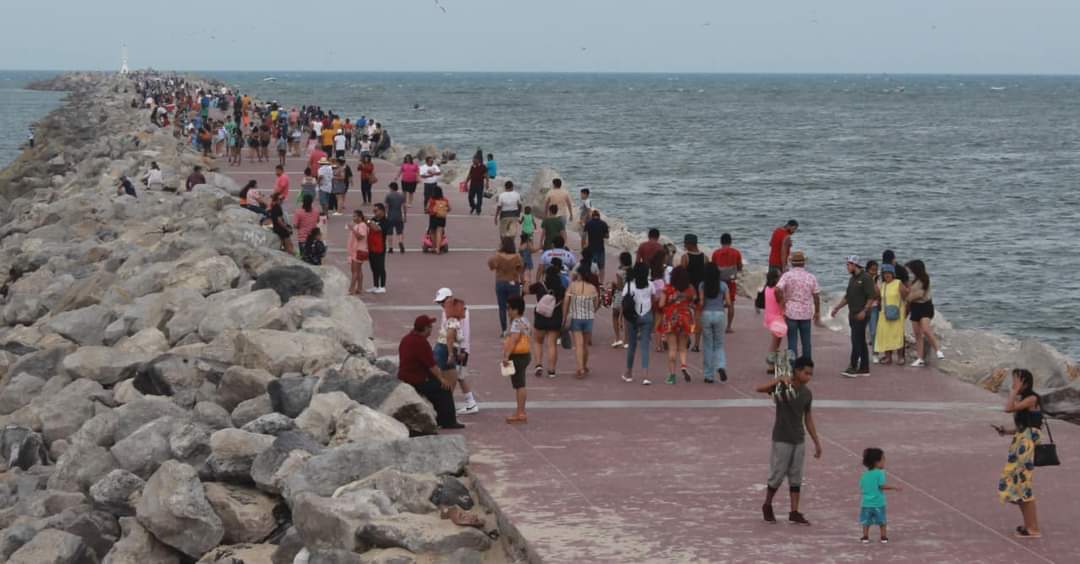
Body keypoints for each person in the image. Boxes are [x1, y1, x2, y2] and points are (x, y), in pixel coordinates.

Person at [756, 356, 822, 526]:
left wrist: (816, 441)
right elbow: (759, 389)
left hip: (799, 439)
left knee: (796, 476)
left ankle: (794, 511)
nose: (808, 377)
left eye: (810, 374)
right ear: (797, 371)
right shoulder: (782, 386)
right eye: (806, 373)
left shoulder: (807, 394)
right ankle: (767, 504)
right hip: (782, 438)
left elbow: (808, 418)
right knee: (777, 474)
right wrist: (778, 380)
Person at [994, 368, 1044, 539]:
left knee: (1024, 485)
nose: (1013, 383)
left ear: (1026, 383)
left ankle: (1034, 528)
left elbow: (1008, 409)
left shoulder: (1032, 398)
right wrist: (1007, 431)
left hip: (1026, 446)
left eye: (1016, 380)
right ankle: (1029, 525)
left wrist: (1013, 392)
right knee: (1018, 484)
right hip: (1020, 443)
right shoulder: (1024, 399)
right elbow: (1024, 426)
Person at [397, 315, 463, 430]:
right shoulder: (421, 343)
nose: (432, 329)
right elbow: (432, 365)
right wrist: (442, 379)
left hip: (404, 376)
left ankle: (439, 417)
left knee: (435, 386)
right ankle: (448, 421)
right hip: (416, 380)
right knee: (444, 389)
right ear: (426, 329)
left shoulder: (406, 338)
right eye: (430, 327)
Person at [830, 256, 877, 378]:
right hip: (852, 313)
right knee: (859, 341)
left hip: (861, 314)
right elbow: (848, 297)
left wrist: (864, 310)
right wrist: (837, 308)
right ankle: (864, 368)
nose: (847, 267)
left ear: (855, 265)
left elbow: (872, 297)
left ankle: (853, 366)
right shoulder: (852, 279)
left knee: (856, 340)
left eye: (849, 264)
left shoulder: (866, 278)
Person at [433, 288, 478, 415]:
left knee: (455, 376)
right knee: (458, 376)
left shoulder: (457, 310)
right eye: (439, 302)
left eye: (442, 300)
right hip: (453, 347)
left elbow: (462, 332)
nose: (441, 304)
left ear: (450, 298)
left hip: (458, 349)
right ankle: (469, 402)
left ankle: (457, 404)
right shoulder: (449, 309)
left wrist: (462, 350)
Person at [775, 251, 820, 361]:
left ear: (791, 263)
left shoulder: (787, 276)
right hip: (806, 313)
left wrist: (781, 303)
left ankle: (793, 366)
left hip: (790, 312)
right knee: (806, 342)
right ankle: (807, 366)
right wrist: (817, 311)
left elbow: (777, 289)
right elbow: (816, 296)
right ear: (804, 263)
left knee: (792, 341)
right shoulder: (811, 277)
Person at [658, 266, 697, 385]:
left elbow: (661, 305)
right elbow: (693, 300)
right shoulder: (690, 288)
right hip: (685, 318)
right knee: (683, 347)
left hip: (671, 318)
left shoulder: (668, 288)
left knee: (672, 348)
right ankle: (684, 366)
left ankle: (672, 376)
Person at [622, 262, 658, 385]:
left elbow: (624, 302)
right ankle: (645, 376)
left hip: (633, 317)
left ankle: (629, 373)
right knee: (645, 347)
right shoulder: (651, 285)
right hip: (647, 315)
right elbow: (654, 300)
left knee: (632, 345)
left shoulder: (629, 285)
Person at [563, 264, 600, 378]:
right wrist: (591, 311)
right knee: (585, 345)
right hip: (589, 319)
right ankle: (584, 366)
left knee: (578, 345)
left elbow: (566, 301)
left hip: (576, 318)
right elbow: (596, 304)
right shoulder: (592, 288)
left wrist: (564, 317)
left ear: (579, 274)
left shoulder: (573, 286)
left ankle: (580, 369)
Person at [906, 260, 945, 367]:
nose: (910, 272)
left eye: (912, 269)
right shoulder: (914, 280)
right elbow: (910, 291)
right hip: (915, 307)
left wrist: (908, 297)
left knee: (925, 329)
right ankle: (920, 358)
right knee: (917, 334)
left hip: (925, 306)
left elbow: (920, 294)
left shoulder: (925, 279)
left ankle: (938, 350)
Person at [529, 266, 565, 380]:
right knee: (552, 344)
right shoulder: (561, 288)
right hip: (555, 317)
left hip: (540, 317)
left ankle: (538, 365)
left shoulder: (540, 286)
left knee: (538, 342)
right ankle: (551, 370)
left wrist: (525, 280)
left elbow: (526, 290)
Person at [698, 263, 732, 383]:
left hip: (706, 314)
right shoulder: (723, 285)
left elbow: (701, 303)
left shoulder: (702, 285)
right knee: (719, 344)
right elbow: (728, 303)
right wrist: (720, 305)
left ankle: (708, 375)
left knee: (708, 345)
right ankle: (721, 366)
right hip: (720, 315)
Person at [859, 448, 900, 544]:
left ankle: (865, 536)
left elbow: (862, 486)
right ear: (876, 462)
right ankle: (883, 536)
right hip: (878, 502)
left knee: (866, 521)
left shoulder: (864, 474)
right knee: (882, 521)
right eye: (883, 459)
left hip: (866, 503)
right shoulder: (880, 473)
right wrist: (894, 487)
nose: (884, 461)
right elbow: (881, 486)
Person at [502, 296, 531, 424]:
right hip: (525, 354)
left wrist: (506, 356)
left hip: (517, 355)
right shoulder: (525, 320)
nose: (507, 311)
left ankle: (520, 412)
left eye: (509, 308)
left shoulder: (515, 323)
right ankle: (521, 411)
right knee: (520, 383)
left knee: (519, 384)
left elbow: (514, 340)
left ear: (516, 309)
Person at [488, 237, 524, 334]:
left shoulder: (498, 256)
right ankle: (513, 328)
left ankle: (504, 330)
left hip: (501, 282)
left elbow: (491, 266)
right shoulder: (517, 257)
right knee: (514, 306)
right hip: (513, 282)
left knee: (502, 307)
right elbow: (521, 270)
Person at [874, 264, 908, 365]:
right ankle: (888, 358)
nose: (887, 275)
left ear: (893, 274)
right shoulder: (883, 285)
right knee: (886, 335)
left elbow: (905, 297)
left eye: (889, 273)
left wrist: (905, 311)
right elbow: (879, 298)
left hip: (898, 313)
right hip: (884, 313)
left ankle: (900, 357)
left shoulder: (898, 283)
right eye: (885, 273)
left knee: (898, 335)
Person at [711, 233, 743, 333]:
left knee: (717, 304)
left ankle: (717, 326)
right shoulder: (736, 253)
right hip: (731, 281)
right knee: (731, 304)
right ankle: (728, 327)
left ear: (721, 242)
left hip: (719, 281)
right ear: (731, 241)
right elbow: (740, 267)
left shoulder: (716, 253)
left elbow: (713, 268)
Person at [679, 234, 705, 351]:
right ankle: (697, 344)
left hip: (688, 290)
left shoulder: (685, 257)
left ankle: (687, 338)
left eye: (685, 243)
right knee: (698, 318)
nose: (684, 245)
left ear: (690, 244)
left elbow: (682, 275)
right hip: (700, 292)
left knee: (685, 316)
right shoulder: (705, 257)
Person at [762, 270, 784, 374]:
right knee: (775, 343)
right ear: (776, 278)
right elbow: (781, 304)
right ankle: (771, 364)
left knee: (776, 341)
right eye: (780, 276)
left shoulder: (767, 288)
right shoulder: (777, 290)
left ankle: (773, 362)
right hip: (777, 318)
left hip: (769, 317)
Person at [609, 251, 633, 348]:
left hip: (620, 296)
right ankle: (626, 340)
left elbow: (619, 287)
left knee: (615, 315)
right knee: (627, 318)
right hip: (630, 295)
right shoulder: (632, 271)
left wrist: (613, 284)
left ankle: (617, 338)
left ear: (622, 261)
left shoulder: (619, 272)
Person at [583, 209, 609, 284]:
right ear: (599, 216)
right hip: (601, 249)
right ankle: (601, 282)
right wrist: (602, 234)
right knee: (601, 267)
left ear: (592, 216)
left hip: (591, 249)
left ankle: (592, 281)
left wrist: (584, 246)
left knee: (592, 267)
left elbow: (584, 235)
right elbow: (607, 236)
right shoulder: (604, 224)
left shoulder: (588, 223)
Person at [347, 210, 369, 295]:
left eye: (355, 216)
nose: (353, 218)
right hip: (357, 250)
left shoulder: (362, 225)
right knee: (358, 270)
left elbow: (360, 237)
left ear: (360, 217)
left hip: (359, 250)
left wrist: (352, 229)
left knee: (354, 271)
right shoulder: (359, 225)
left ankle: (351, 289)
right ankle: (359, 288)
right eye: (353, 216)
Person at [367, 204, 388, 293]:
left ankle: (382, 286)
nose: (374, 213)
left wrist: (367, 221)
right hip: (371, 246)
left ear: (382, 211)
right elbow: (369, 224)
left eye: (376, 211)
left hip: (380, 247)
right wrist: (367, 220)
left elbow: (377, 229)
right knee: (373, 267)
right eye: (373, 211)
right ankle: (375, 285)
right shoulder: (373, 219)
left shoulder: (385, 221)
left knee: (380, 267)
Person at [426, 185, 450, 256]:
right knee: (439, 232)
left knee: (432, 232)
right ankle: (438, 249)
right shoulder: (445, 199)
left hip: (433, 217)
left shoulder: (431, 199)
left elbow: (427, 208)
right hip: (442, 217)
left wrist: (428, 211)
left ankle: (433, 247)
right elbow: (449, 208)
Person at [384, 182, 407, 254]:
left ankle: (390, 248)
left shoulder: (388, 196)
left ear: (391, 188)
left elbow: (386, 206)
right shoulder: (401, 196)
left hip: (390, 216)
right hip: (399, 216)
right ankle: (400, 242)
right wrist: (405, 216)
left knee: (389, 233)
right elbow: (404, 207)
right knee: (399, 232)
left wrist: (385, 215)